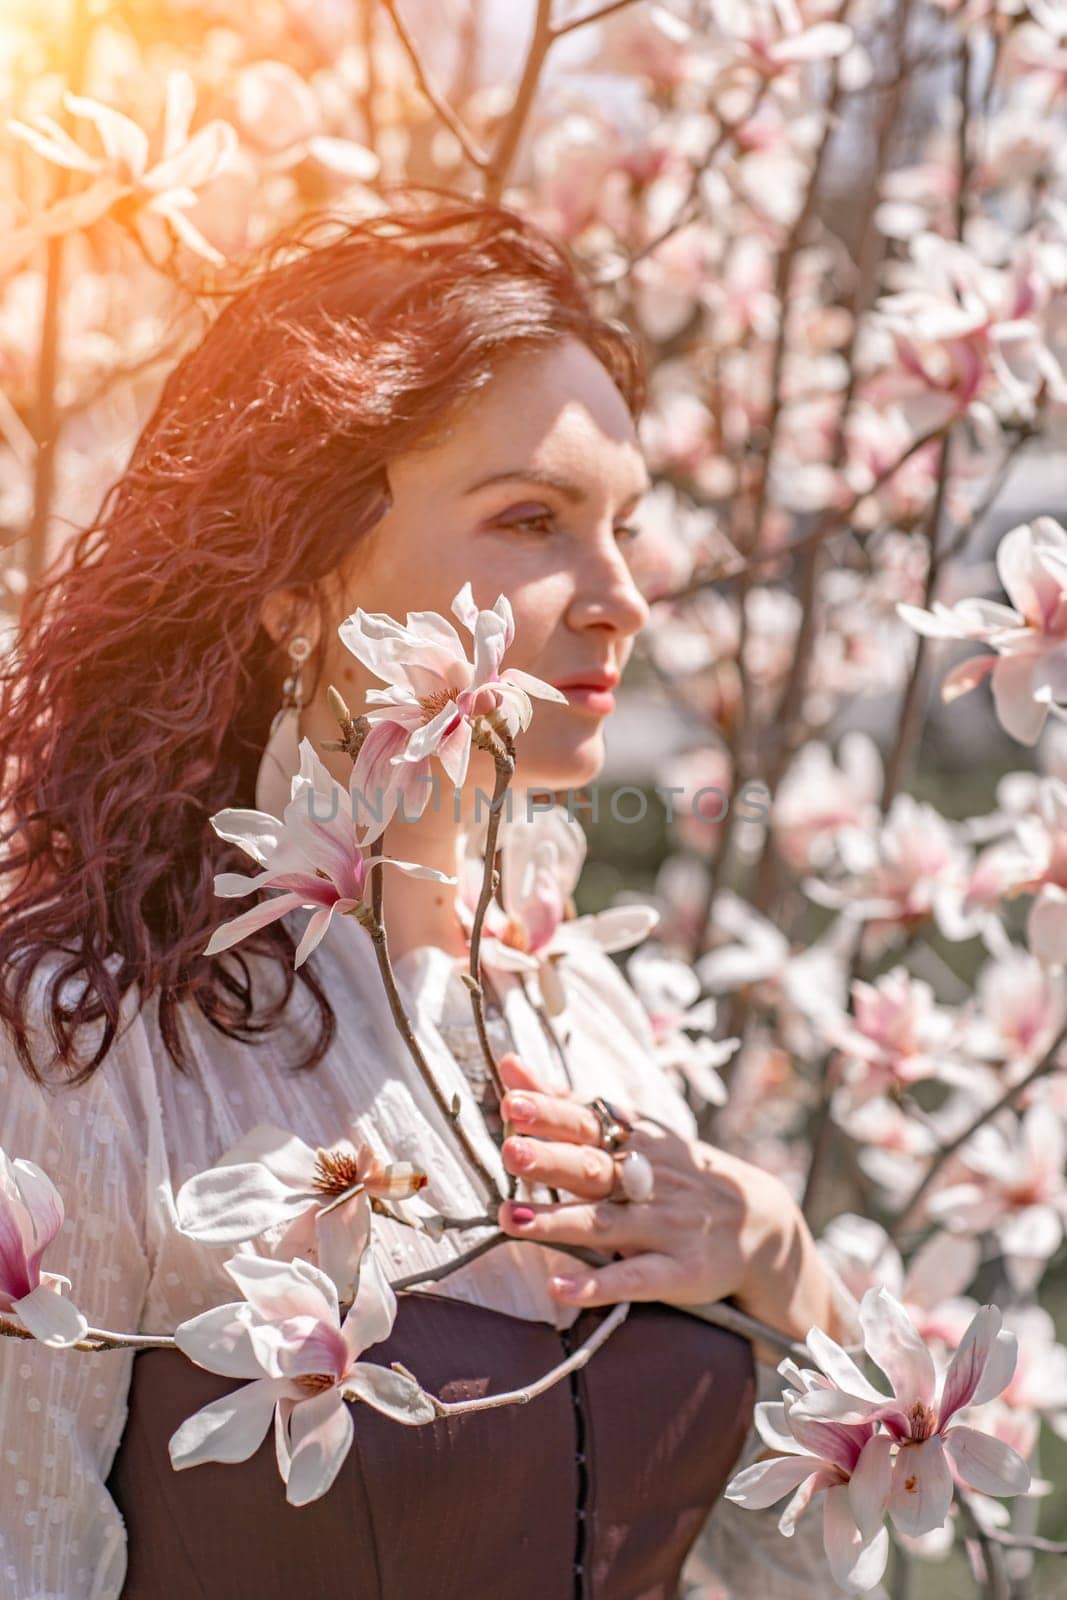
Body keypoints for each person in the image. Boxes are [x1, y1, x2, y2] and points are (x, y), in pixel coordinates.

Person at [0, 192, 856, 1599]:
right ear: (295, 587)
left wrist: (778, 1260)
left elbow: (795, 1575)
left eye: (625, 525)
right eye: (535, 519)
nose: (621, 595)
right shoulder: (91, 1040)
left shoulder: (591, 1010)